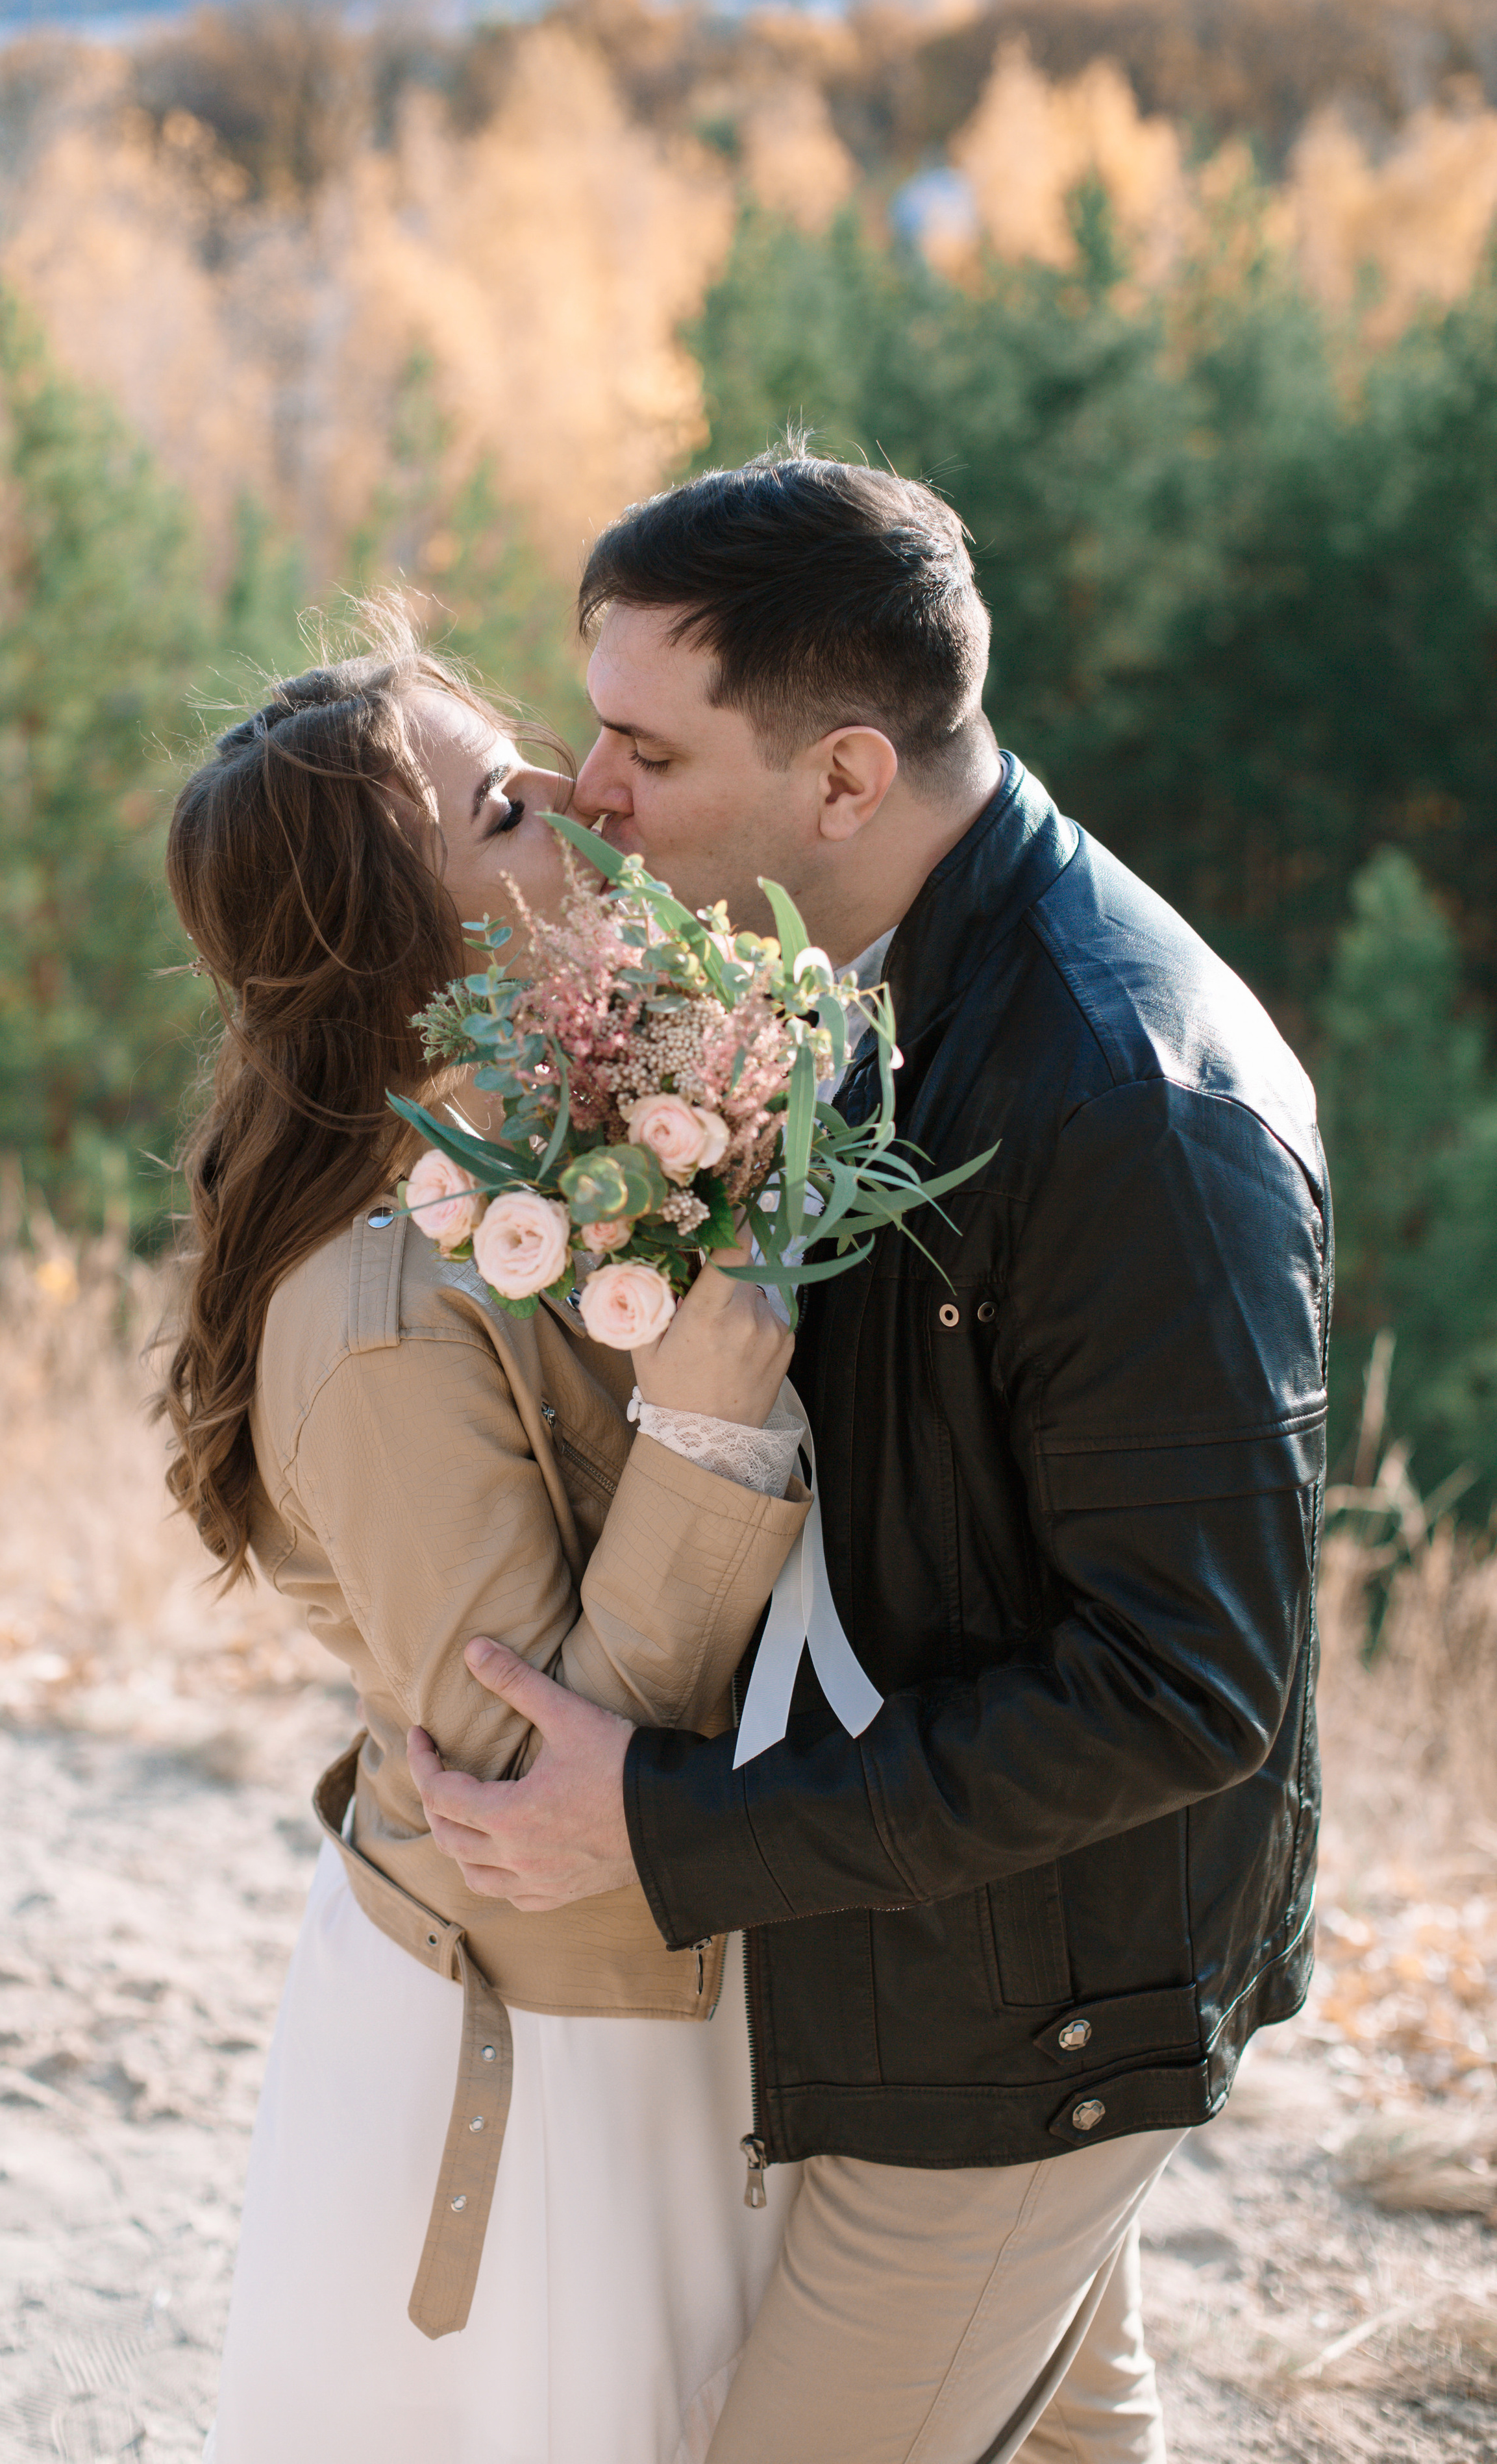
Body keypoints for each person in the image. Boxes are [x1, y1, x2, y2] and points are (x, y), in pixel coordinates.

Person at [409, 448, 1331, 2464]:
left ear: (841, 774)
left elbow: (1186, 1693)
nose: (590, 792)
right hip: (924, 1939)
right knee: (1082, 2438)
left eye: (643, 748)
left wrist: (668, 1830)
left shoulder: (1131, 1106)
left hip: (1038, 2004)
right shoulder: (847, 974)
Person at [157, 614, 817, 2464]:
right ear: (407, 946)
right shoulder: (370, 1323)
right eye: (510, 810)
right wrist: (706, 1429)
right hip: (547, 2058)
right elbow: (529, 1792)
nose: (586, 809)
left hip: (685, 1994)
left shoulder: (554, 1160)